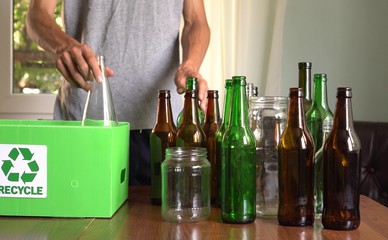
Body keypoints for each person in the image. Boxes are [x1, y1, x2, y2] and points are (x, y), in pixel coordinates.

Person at [26, 0, 210, 185]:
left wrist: (190, 65)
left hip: (162, 124)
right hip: (87, 118)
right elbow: (37, 14)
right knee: (82, 210)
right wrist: (63, 46)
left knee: (160, 213)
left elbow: (196, 21)